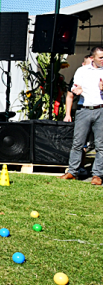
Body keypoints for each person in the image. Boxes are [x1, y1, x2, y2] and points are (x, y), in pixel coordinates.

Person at [60, 46, 103, 184]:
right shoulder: (82, 70)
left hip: (100, 109)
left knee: (100, 145)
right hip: (84, 109)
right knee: (78, 142)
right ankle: (72, 171)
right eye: (101, 58)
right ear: (93, 58)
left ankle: (97, 175)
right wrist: (76, 89)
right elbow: (74, 87)